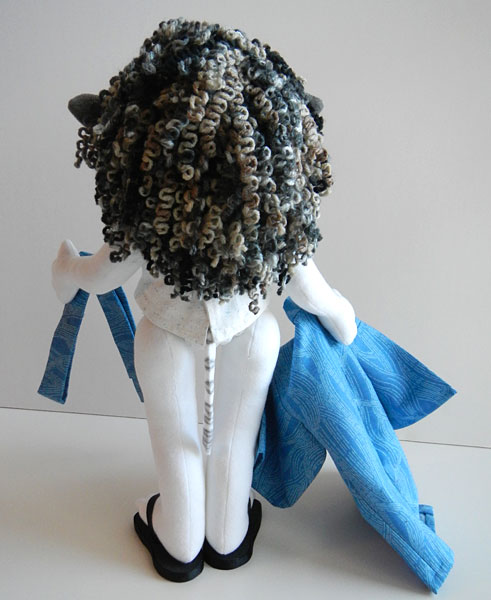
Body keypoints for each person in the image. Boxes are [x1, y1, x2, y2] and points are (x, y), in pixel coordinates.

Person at [51, 17, 357, 581]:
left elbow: (100, 276)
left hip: (166, 336)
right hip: (250, 334)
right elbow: (315, 293)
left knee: (178, 444)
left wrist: (66, 269)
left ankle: (179, 541)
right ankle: (228, 536)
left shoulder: (146, 219)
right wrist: (344, 320)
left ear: (144, 146)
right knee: (233, 440)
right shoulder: (272, 223)